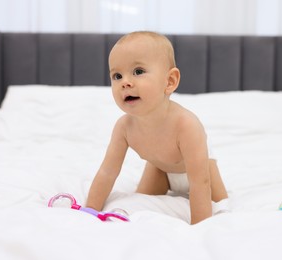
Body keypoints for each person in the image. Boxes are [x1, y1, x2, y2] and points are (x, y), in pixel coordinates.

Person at [86, 31, 228, 224]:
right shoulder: (124, 127)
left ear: (169, 82)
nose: (125, 82)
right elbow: (107, 172)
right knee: (140, 199)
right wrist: (89, 211)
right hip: (160, 169)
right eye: (117, 75)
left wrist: (199, 229)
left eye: (138, 71)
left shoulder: (187, 125)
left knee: (221, 206)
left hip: (200, 170)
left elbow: (199, 182)